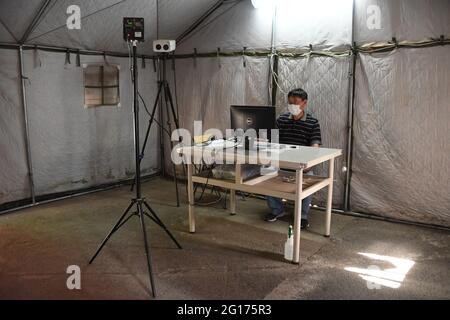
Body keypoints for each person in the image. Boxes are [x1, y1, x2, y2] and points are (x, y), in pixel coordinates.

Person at [265, 88, 322, 229]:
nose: (292, 106)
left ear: (304, 103)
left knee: (308, 178)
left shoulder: (312, 122)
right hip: (282, 162)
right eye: (290, 103)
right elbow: (273, 141)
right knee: (266, 174)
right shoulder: (282, 120)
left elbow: (315, 145)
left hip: (301, 165)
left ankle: (302, 215)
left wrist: (308, 163)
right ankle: (277, 210)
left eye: (296, 103)